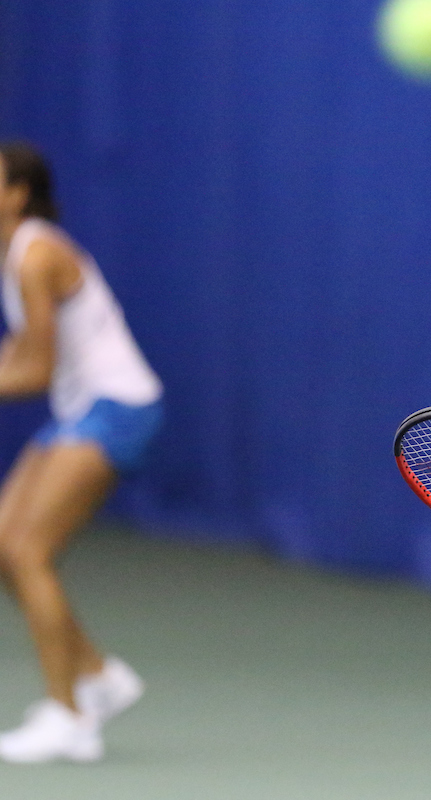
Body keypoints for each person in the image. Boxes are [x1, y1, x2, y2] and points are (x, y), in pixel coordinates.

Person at [0, 142, 163, 763]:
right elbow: (22, 348)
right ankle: (97, 677)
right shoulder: (14, 253)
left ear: (16, 195)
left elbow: (36, 370)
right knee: (4, 545)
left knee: (26, 550)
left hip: (117, 408)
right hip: (83, 410)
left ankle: (68, 718)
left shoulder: (36, 255)